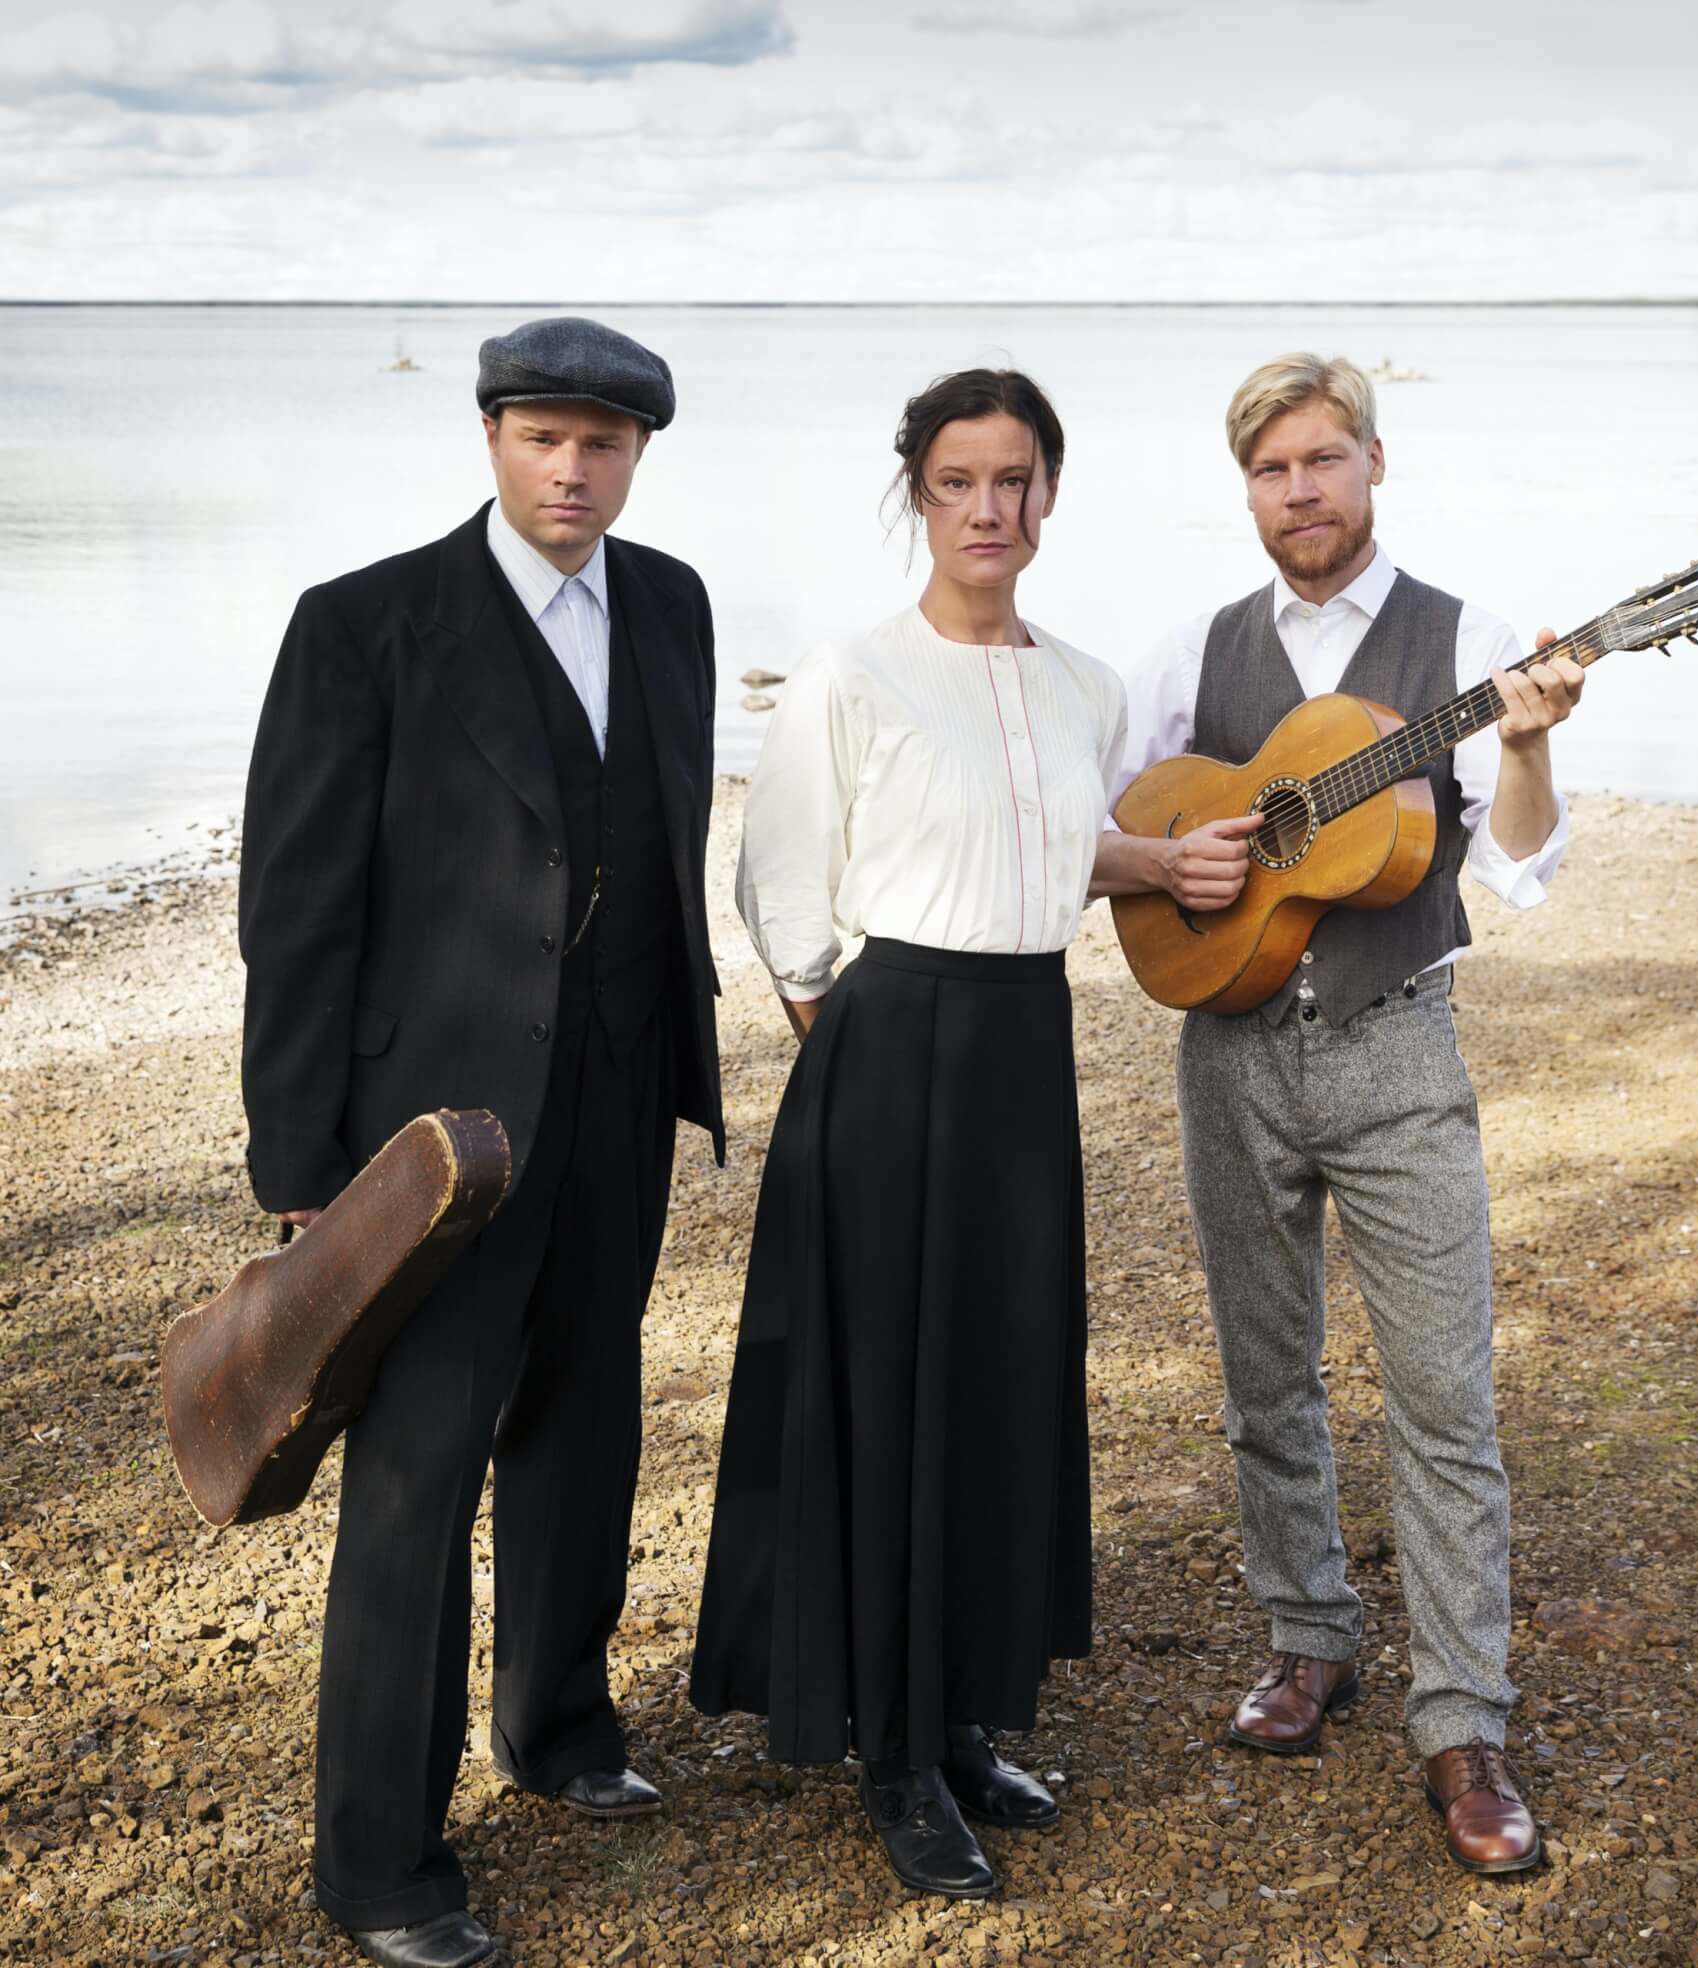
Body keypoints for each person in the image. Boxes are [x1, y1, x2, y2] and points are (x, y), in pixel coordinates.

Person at [238, 316, 725, 1968]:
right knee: (416, 1471)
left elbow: (660, 839)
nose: (574, 467)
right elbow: (296, 907)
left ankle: (562, 1730)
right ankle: (379, 1857)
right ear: (493, 439)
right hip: (432, 1134)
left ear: (639, 451)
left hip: (617, 1093)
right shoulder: (363, 625)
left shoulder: (672, 603)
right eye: (543, 437)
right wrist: (303, 1165)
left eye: (603, 441)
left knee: (585, 1425)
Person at [1093, 352, 1582, 1876]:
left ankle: (1464, 1721)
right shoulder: (1195, 650)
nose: (1299, 491)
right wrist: (1182, 866)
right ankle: (1307, 1638)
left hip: (1397, 1050)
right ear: (1246, 489)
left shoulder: (1470, 644)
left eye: (1322, 460)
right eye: (1270, 470)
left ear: (1376, 461)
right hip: (1230, 1045)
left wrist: (1526, 736)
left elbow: (1517, 864)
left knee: (1444, 1400)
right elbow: (1116, 827)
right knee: (1264, 1372)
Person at [689, 369, 1125, 1901]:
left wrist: (1184, 859)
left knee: (1005, 1377)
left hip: (1028, 1044)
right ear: (918, 496)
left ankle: (965, 1719)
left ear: (1048, 493)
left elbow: (1063, 849)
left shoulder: (1088, 686)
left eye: (1014, 480)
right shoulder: (851, 674)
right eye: (958, 482)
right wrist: (856, 1044)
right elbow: (783, 889)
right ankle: (890, 1757)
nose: (988, 509)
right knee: (885, 1388)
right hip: (887, 1051)